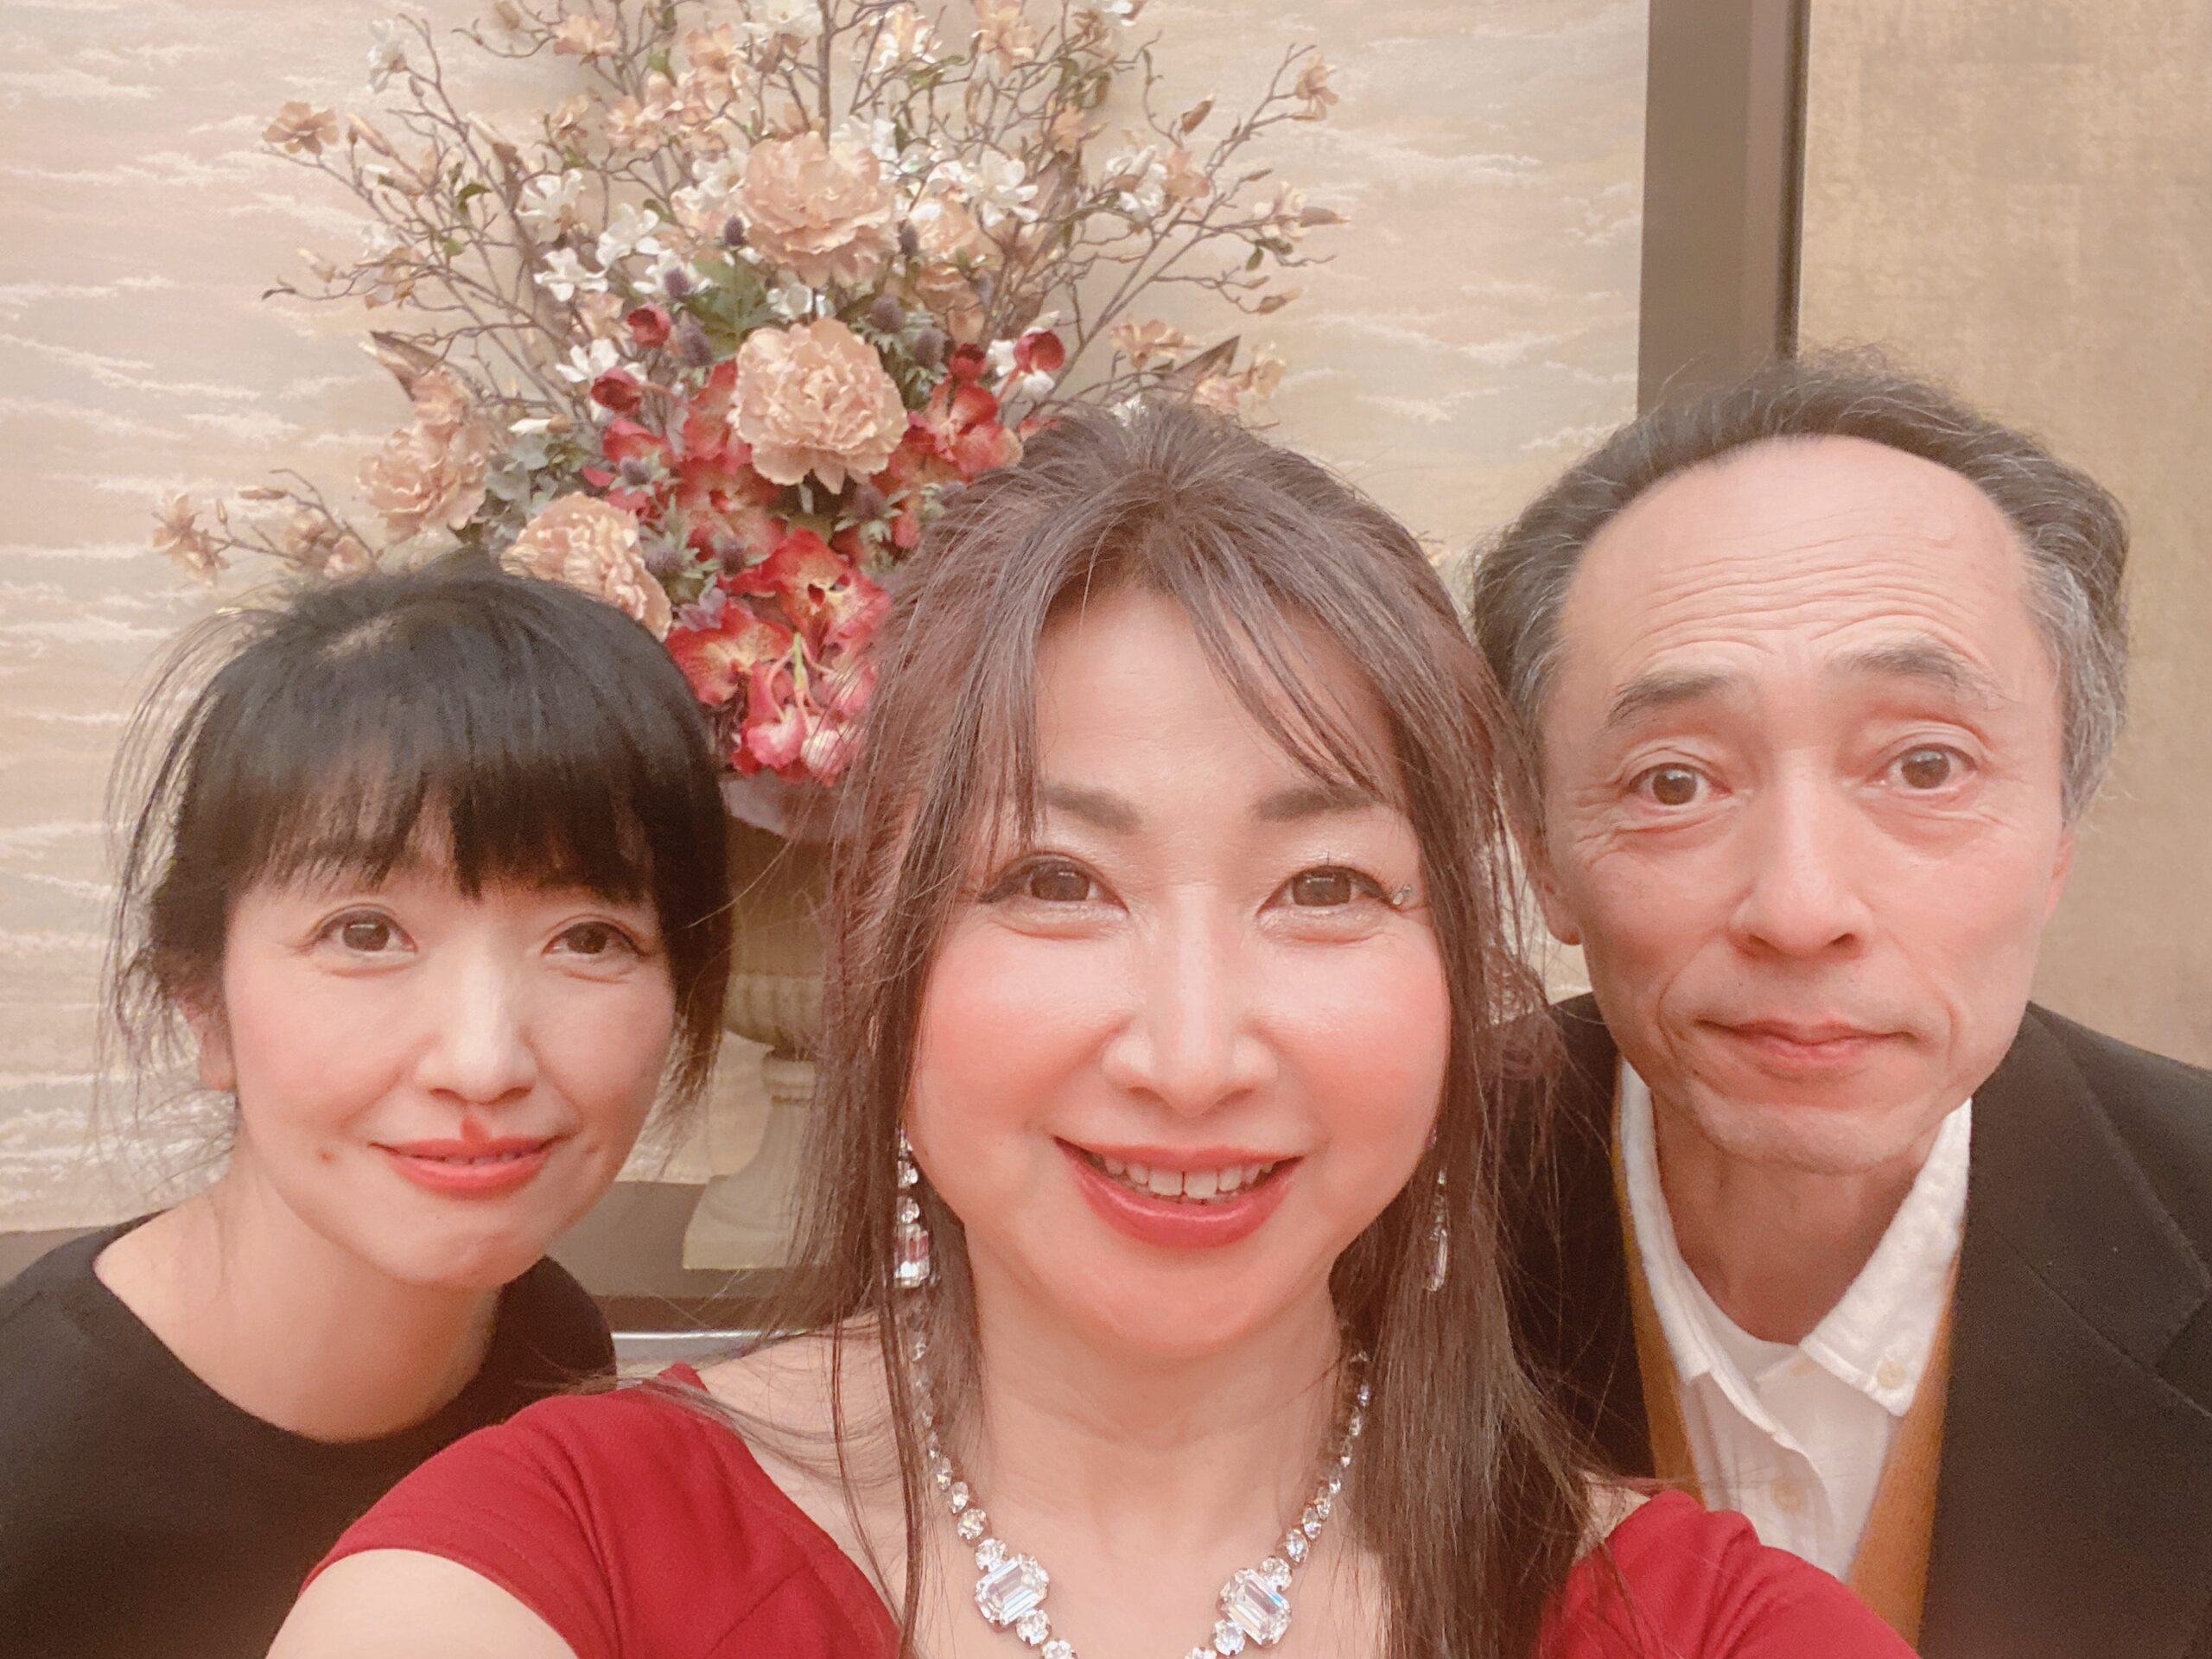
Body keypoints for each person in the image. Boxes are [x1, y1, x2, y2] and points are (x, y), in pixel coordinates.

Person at [272, 405, 1910, 1659]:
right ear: (882, 957)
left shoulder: (1706, 1626)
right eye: (1054, 881)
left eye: (1325, 887)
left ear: (1457, 972)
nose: (1192, 1059)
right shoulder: (556, 1564)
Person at [1471, 354, 2212, 1658]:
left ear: (2061, 828)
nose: (1801, 907)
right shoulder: (1374, 1220)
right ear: (1541, 852)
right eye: (1674, 782)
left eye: (1924, 764)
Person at [0, 556, 732, 1658]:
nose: (483, 1062)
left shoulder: (547, 1342)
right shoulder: (28, 1464)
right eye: (365, 932)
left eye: (588, 937)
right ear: (201, 998)